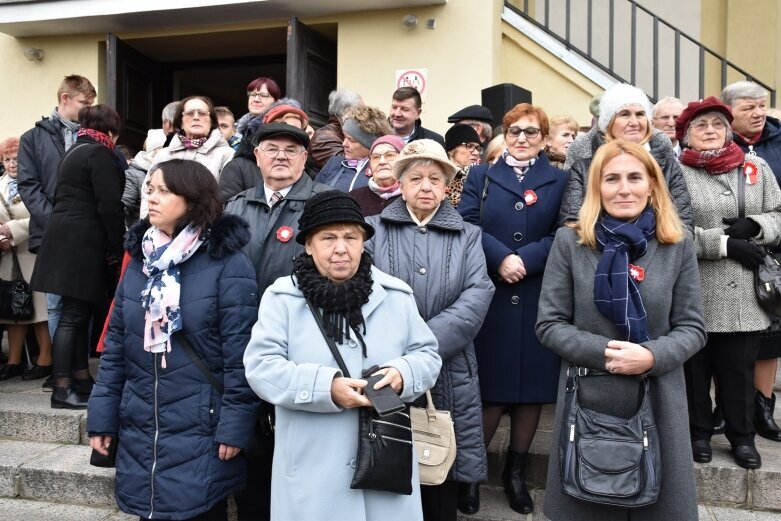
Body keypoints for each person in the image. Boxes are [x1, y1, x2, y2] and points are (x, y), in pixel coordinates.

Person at [243, 190, 442, 521]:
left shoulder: (396, 295)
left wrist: (404, 372)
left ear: (363, 242)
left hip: (385, 464)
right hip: (311, 468)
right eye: (328, 238)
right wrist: (326, 388)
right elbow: (261, 368)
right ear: (308, 245)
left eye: (351, 236)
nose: (341, 248)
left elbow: (427, 355)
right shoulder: (282, 298)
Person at [536, 139, 706, 520]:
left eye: (634, 177)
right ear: (596, 186)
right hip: (589, 395)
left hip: (660, 398)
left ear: (652, 185)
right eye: (611, 179)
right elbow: (549, 324)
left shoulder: (676, 244)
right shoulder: (571, 241)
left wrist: (651, 356)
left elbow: (693, 327)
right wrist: (610, 354)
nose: (624, 188)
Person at [88, 159, 259, 520]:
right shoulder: (141, 259)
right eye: (150, 189)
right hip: (140, 422)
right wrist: (102, 416)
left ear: (193, 199)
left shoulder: (227, 262)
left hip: (202, 424)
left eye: (164, 191)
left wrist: (235, 425)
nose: (151, 197)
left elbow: (241, 354)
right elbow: (117, 345)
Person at [364, 139, 494, 521]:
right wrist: (398, 351)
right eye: (416, 177)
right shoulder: (372, 230)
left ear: (447, 186)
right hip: (385, 362)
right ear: (400, 183)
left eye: (434, 179)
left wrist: (420, 349)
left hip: (449, 367)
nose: (425, 186)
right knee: (388, 466)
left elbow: (477, 295)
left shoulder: (468, 236)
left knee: (441, 469)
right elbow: (364, 291)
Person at [457, 103, 569, 515]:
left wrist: (529, 259)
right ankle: (471, 474)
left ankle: (515, 475)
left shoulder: (560, 179)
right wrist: (501, 256)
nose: (522, 139)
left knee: (530, 393)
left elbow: (568, 229)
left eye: (532, 132)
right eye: (515, 131)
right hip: (492, 291)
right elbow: (467, 223)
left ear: (543, 138)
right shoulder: (480, 175)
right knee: (490, 391)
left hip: (539, 291)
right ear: (503, 135)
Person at [224, 123, 332, 520]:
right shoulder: (236, 206)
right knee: (251, 447)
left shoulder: (324, 203)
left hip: (303, 347)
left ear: (305, 158)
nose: (281, 156)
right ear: (257, 156)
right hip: (241, 342)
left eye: (291, 149)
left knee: (299, 446)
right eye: (272, 148)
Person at [675, 97, 781, 469]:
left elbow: (779, 214)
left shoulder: (756, 166)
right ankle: (698, 433)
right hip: (694, 286)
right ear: (686, 136)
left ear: (729, 129)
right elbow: (673, 230)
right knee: (695, 369)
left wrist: (757, 227)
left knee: (738, 369)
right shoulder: (675, 172)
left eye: (717, 124)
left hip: (743, 291)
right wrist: (722, 244)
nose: (710, 131)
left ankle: (742, 437)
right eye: (701, 126)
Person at [31, 105, 126, 409]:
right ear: (110, 131)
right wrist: (117, 246)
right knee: (73, 318)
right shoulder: (101, 154)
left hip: (62, 242)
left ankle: (81, 379)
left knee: (77, 314)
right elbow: (109, 207)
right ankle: (62, 388)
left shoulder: (74, 151)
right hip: (82, 245)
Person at [17, 74, 96, 346]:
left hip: (85, 232)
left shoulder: (92, 135)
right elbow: (28, 186)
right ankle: (61, 370)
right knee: (56, 303)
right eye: (84, 102)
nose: (89, 109)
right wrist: (55, 223)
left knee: (82, 302)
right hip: (51, 232)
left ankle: (80, 368)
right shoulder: (32, 138)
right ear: (65, 99)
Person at [722, 81, 781, 442]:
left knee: (770, 336)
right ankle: (724, 408)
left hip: (774, 248)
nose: (758, 113)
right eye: (749, 107)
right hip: (726, 250)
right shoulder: (714, 140)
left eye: (762, 106)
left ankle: (763, 406)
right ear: (729, 112)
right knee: (726, 333)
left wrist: (764, 230)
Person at [559, 83, 693, 231]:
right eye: (624, 114)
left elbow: (683, 224)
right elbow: (572, 222)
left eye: (640, 114)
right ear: (608, 122)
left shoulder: (668, 165)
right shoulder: (583, 167)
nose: (634, 122)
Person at [0, 137, 51, 381]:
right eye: (7, 159)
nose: (12, 164)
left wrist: (14, 230)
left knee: (40, 311)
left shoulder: (35, 184)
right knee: (12, 312)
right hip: (8, 255)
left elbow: (44, 216)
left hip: (32, 252)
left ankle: (45, 359)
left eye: (17, 159)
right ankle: (14, 360)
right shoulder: (0, 185)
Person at [141, 96, 235, 217]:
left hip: (206, 228)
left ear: (211, 121)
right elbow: (147, 192)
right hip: (163, 229)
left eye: (202, 113)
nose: (196, 117)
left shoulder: (227, 154)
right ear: (180, 122)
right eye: (190, 113)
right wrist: (146, 225)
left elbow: (228, 199)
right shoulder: (164, 154)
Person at [219, 102, 312, 203]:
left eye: (298, 130)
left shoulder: (307, 172)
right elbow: (229, 210)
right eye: (284, 127)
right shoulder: (238, 168)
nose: (291, 133)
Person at [315, 106, 392, 192]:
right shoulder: (334, 163)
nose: (344, 144)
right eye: (344, 137)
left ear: (369, 144)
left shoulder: (381, 168)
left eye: (352, 140)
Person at [308, 88, 364, 172]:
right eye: (361, 112)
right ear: (348, 112)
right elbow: (346, 167)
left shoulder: (346, 132)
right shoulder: (322, 138)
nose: (364, 117)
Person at [348, 135, 405, 216]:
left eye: (389, 155)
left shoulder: (413, 197)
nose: (381, 162)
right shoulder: (353, 198)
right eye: (375, 157)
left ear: (404, 161)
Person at [444, 124, 482, 208]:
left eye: (478, 148)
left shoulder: (481, 178)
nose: (476, 153)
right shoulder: (439, 176)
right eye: (470, 146)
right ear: (451, 150)